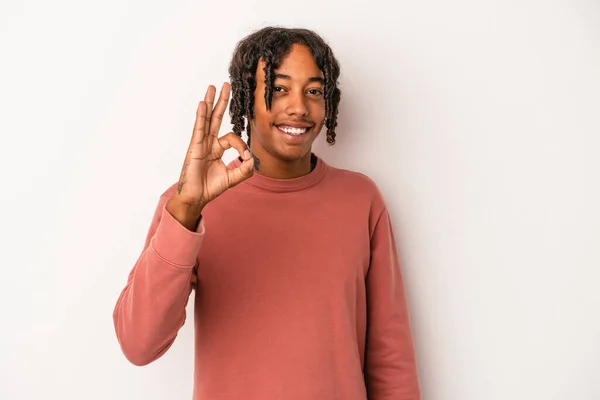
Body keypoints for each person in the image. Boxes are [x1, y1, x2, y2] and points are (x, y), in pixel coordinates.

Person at [113, 26, 421, 399]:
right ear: (247, 100)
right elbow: (139, 343)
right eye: (278, 88)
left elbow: (390, 357)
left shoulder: (360, 199)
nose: (299, 107)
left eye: (314, 91)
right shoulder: (189, 205)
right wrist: (185, 210)